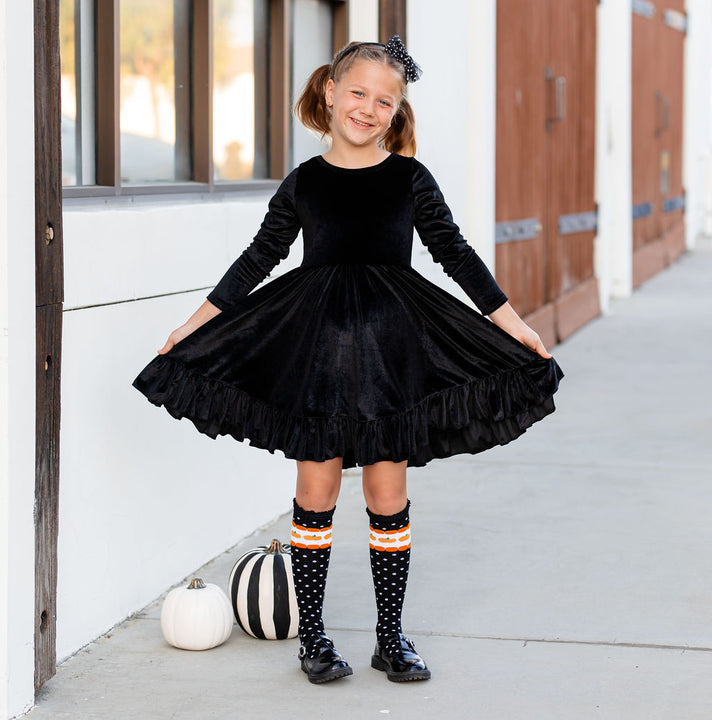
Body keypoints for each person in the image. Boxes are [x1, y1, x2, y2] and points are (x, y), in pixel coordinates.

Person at [133, 36, 563, 685]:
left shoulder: (410, 180)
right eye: (357, 92)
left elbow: (456, 255)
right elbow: (258, 258)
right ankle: (313, 638)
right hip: (318, 360)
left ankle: (391, 638)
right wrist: (191, 327)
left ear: (395, 112)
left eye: (383, 100)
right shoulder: (305, 182)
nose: (368, 107)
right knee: (318, 489)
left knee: (389, 495)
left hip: (394, 360)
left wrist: (513, 322)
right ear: (331, 93)